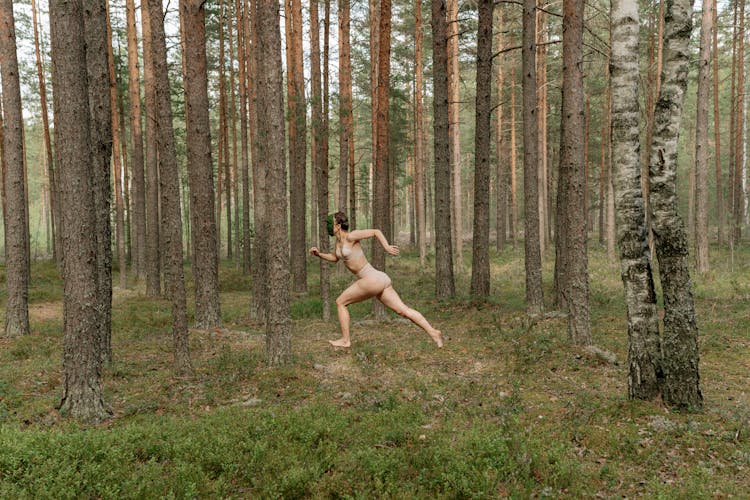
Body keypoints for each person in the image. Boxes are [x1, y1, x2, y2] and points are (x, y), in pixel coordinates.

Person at [309, 212, 443, 348]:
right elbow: (334, 257)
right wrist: (319, 254)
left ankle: (345, 340)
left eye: (331, 223)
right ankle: (433, 332)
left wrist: (387, 247)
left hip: (371, 278)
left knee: (340, 302)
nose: (328, 227)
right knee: (403, 310)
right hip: (379, 279)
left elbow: (375, 231)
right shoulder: (338, 244)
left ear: (338, 225)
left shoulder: (351, 236)